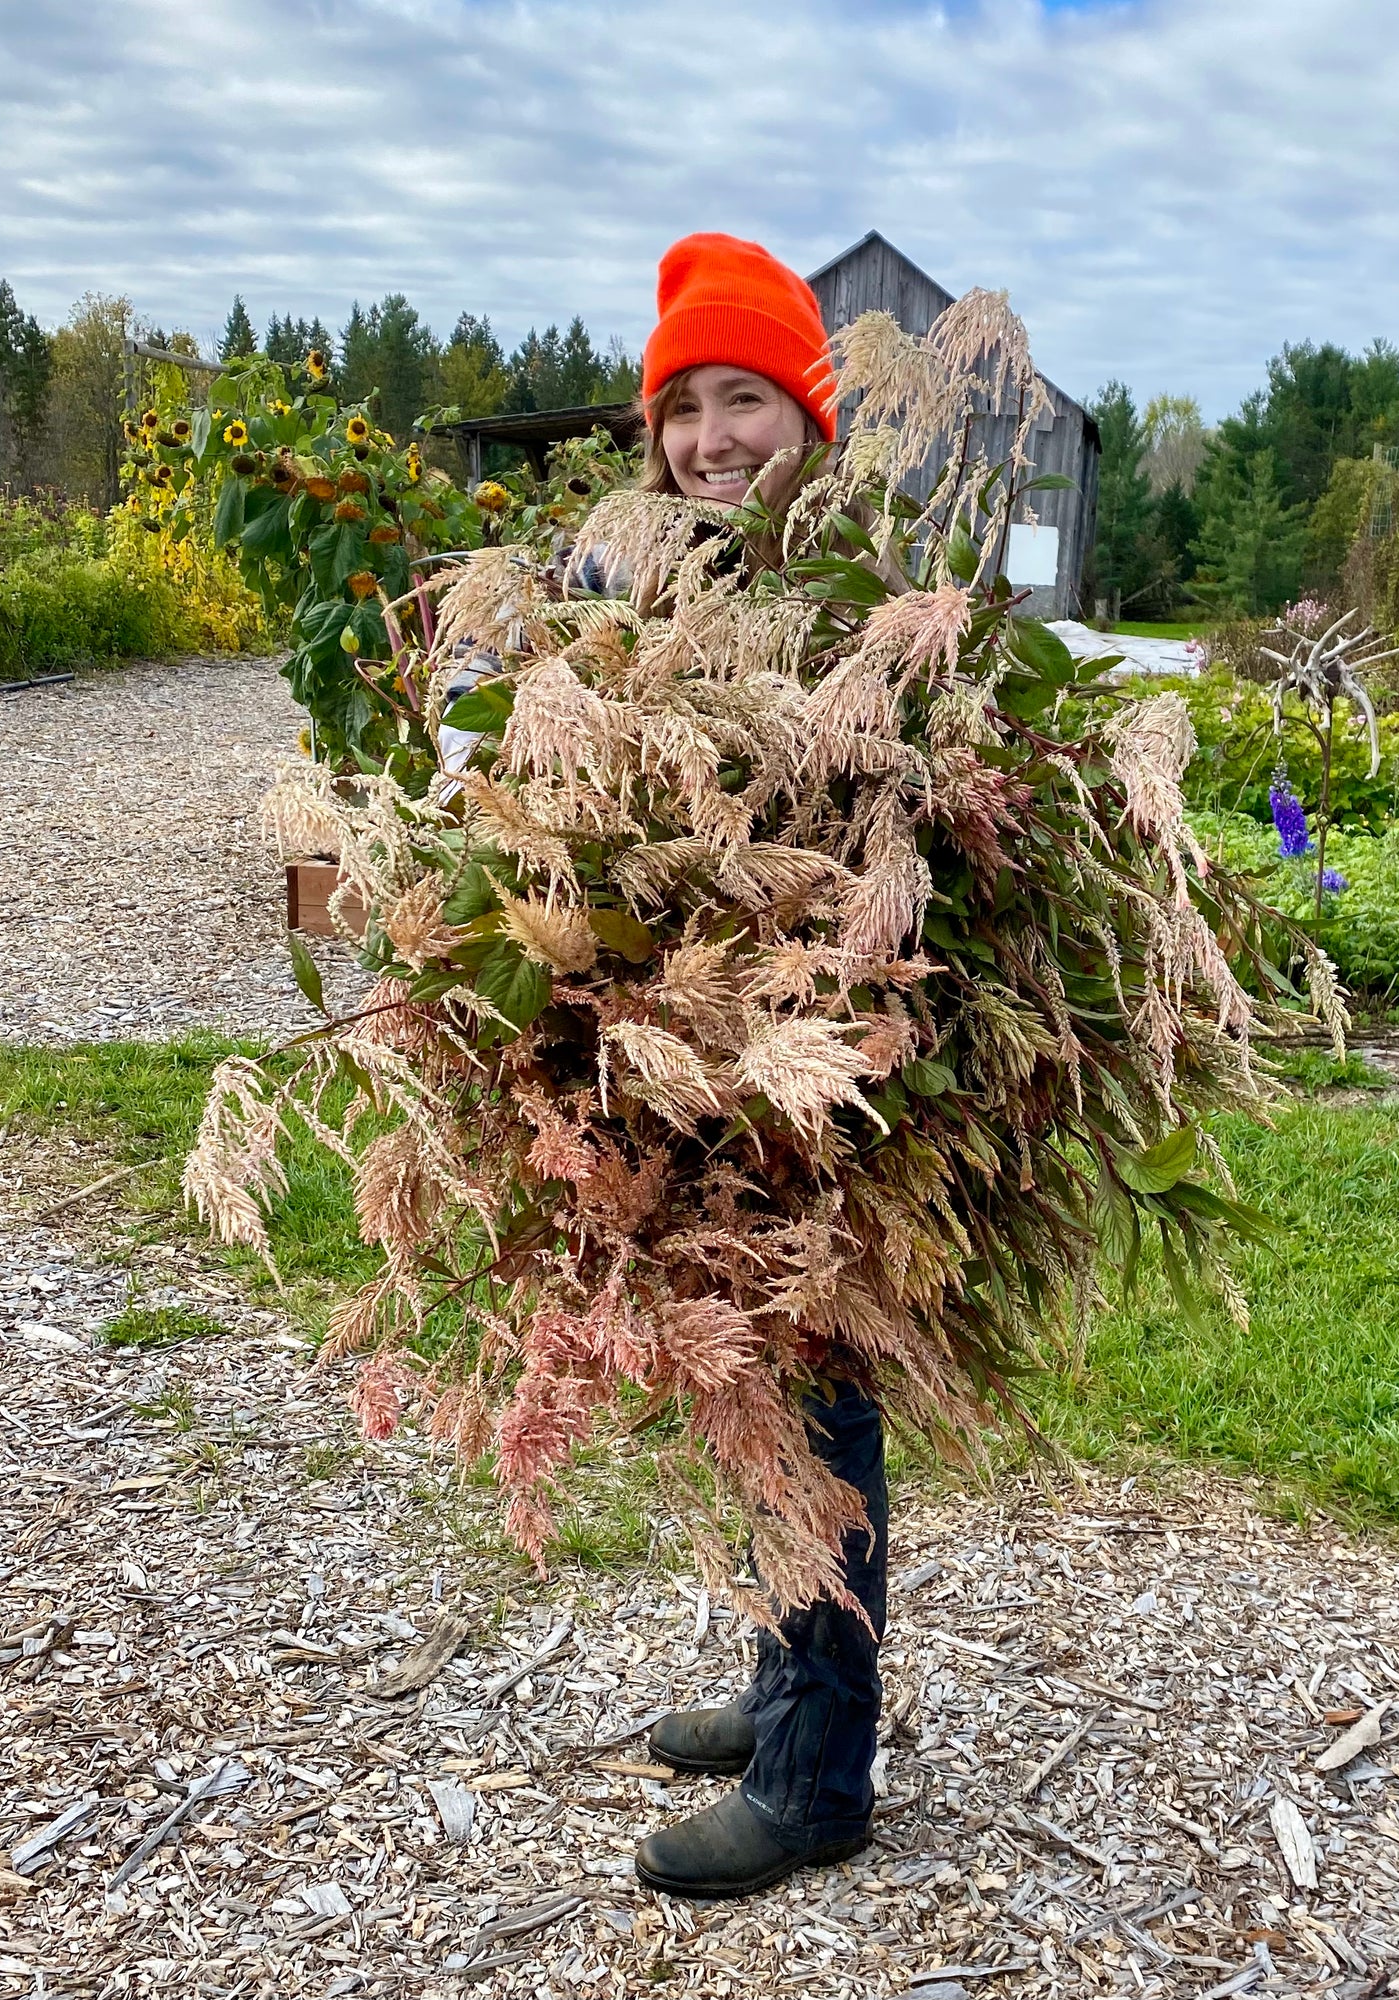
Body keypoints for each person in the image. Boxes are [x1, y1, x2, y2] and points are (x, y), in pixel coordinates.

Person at [618, 234, 892, 1904]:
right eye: (686, 407)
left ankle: (816, 1778)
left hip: (834, 1091)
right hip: (702, 1074)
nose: (714, 438)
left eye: (750, 401)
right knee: (746, 1398)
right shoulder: (663, 585)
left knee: (821, 1413)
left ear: (813, 417)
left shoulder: (861, 600)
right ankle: (784, 1684)